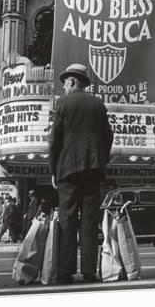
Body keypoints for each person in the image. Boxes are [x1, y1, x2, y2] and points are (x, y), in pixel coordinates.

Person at [49, 63, 114, 284]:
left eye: (65, 83)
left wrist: (53, 170)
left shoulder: (63, 103)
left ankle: (65, 271)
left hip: (67, 170)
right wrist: (101, 160)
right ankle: (88, 271)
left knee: (67, 220)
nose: (64, 88)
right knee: (89, 221)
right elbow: (108, 136)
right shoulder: (97, 103)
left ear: (73, 82)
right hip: (93, 170)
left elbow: (54, 140)